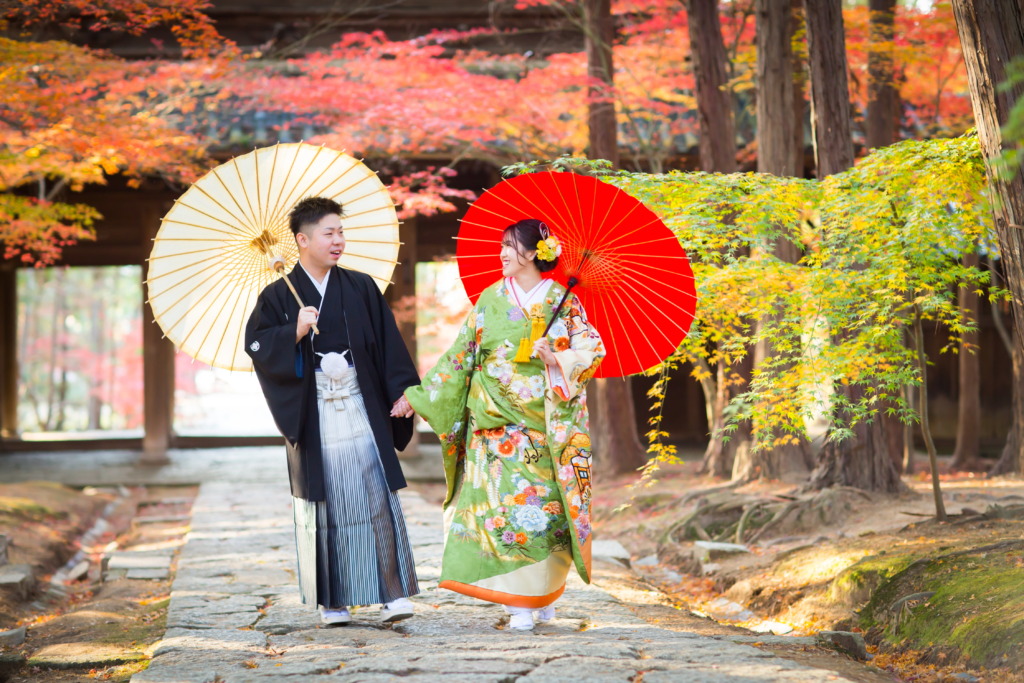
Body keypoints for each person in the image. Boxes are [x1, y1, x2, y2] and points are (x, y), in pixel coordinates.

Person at [404, 218, 605, 631]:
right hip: (495, 424)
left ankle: (543, 594)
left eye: (510, 246)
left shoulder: (563, 301)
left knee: (546, 512)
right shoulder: (490, 298)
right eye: (502, 246)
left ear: (534, 253)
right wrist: (417, 397)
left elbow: (592, 348)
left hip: (545, 425)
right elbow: (461, 355)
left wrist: (558, 359)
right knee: (505, 511)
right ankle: (520, 604)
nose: (502, 254)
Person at [244, 196, 420, 626]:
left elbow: (390, 347)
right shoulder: (275, 296)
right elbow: (257, 346)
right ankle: (333, 601)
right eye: (329, 233)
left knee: (375, 494)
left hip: (360, 404)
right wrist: (293, 330)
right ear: (302, 240)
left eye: (341, 232)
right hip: (315, 410)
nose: (339, 240)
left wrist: (404, 392)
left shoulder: (361, 287)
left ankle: (392, 593)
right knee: (325, 505)